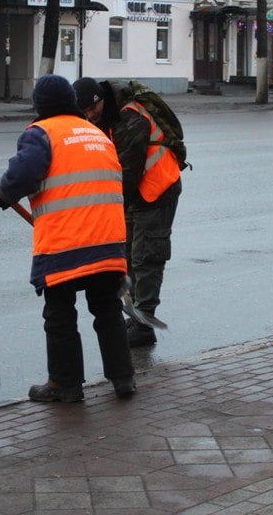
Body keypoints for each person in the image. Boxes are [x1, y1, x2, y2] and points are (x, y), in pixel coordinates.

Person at [0, 74, 136, 402]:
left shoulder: (42, 133)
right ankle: (123, 378)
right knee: (107, 311)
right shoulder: (96, 133)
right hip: (110, 240)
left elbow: (23, 173)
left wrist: (3, 193)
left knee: (59, 314)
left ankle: (65, 385)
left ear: (39, 106)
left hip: (67, 243)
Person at [73, 77, 182, 348]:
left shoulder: (129, 117)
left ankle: (145, 325)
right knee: (129, 257)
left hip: (157, 189)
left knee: (146, 257)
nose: (88, 117)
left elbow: (127, 173)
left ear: (99, 101)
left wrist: (106, 212)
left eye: (89, 110)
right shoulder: (108, 115)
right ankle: (136, 317)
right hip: (138, 191)